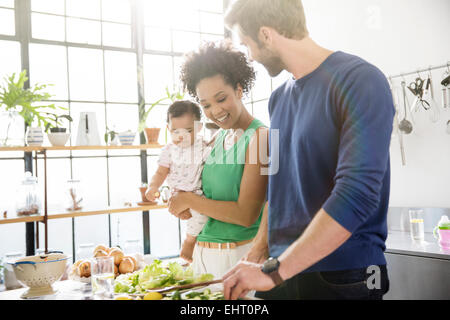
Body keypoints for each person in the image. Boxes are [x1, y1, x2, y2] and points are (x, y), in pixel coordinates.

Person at [222, 0, 395, 300]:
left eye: (247, 44)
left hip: (345, 274)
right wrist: (258, 252)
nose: (249, 56)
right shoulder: (278, 99)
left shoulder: (361, 80)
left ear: (266, 34)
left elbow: (356, 195)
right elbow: (275, 189)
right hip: (282, 270)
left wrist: (277, 270)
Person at [167, 41, 269, 279]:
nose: (215, 111)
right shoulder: (216, 139)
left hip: (237, 258)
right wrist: (184, 206)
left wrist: (188, 199)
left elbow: (247, 214)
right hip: (203, 258)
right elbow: (205, 198)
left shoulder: (261, 138)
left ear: (239, 89)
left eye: (221, 98)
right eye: (206, 105)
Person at [145, 100, 211, 263]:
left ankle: (189, 239)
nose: (181, 136)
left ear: (199, 128)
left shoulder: (203, 145)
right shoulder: (168, 150)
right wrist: (153, 186)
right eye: (175, 131)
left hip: (196, 191)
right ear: (168, 129)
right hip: (175, 191)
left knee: (201, 215)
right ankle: (189, 239)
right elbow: (161, 172)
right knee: (180, 208)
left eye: (188, 130)